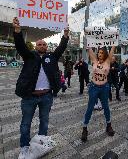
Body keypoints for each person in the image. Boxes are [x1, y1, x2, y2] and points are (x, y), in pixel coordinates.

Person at [12, 17, 69, 158]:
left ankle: (41, 142)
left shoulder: (52, 57)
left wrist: (66, 35)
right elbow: (20, 46)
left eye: (44, 44)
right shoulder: (29, 56)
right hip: (29, 97)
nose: (42, 46)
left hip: (46, 96)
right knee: (26, 123)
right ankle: (24, 147)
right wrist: (18, 31)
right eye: (39, 44)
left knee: (44, 121)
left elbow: (61, 48)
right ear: (35, 46)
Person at [81, 47, 116, 142]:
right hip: (94, 87)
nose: (100, 54)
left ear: (105, 54)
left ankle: (109, 125)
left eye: (102, 53)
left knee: (106, 107)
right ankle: (85, 129)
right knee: (90, 108)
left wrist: (114, 42)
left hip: (104, 88)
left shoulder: (108, 61)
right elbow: (89, 49)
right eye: (99, 52)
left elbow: (113, 49)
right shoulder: (94, 61)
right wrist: (88, 35)